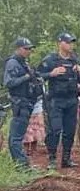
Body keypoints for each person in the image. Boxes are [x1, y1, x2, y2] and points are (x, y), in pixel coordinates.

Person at [38, 32, 80, 170]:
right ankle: (52, 159)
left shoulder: (75, 60)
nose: (71, 45)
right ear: (60, 43)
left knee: (70, 131)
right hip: (56, 100)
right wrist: (51, 73)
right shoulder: (50, 60)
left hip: (72, 99)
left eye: (72, 42)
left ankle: (66, 159)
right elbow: (37, 76)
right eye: (68, 42)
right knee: (55, 130)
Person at [3, 37, 42, 169]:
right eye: (26, 49)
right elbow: (9, 83)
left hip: (27, 102)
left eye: (30, 49)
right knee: (16, 137)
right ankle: (22, 165)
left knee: (17, 136)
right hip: (20, 103)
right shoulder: (13, 63)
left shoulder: (24, 62)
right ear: (18, 49)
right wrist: (26, 77)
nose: (29, 51)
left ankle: (21, 164)